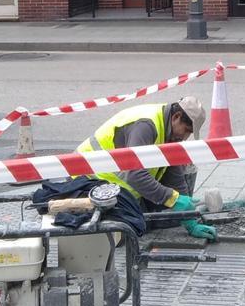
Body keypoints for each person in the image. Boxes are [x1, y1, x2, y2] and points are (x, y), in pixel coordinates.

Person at [76, 97, 217, 241]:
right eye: (186, 130)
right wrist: (174, 199)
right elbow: (135, 175)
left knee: (168, 218)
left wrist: (189, 216)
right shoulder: (146, 126)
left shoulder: (169, 129)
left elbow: (174, 176)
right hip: (89, 181)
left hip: (117, 187)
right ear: (176, 117)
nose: (185, 137)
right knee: (137, 226)